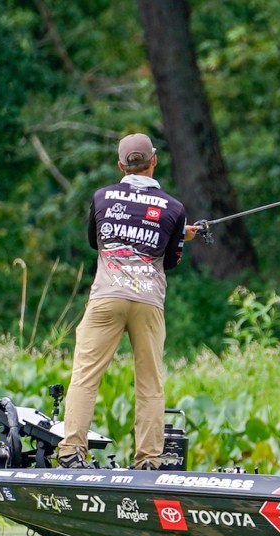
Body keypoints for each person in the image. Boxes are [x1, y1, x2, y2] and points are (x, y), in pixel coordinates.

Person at [56, 133, 197, 470]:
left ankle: (71, 452)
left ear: (121, 165)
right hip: (148, 302)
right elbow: (171, 260)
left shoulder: (101, 197)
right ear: (154, 160)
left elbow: (96, 242)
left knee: (85, 376)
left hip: (107, 297)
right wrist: (180, 234)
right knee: (150, 383)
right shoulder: (175, 208)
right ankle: (148, 459)